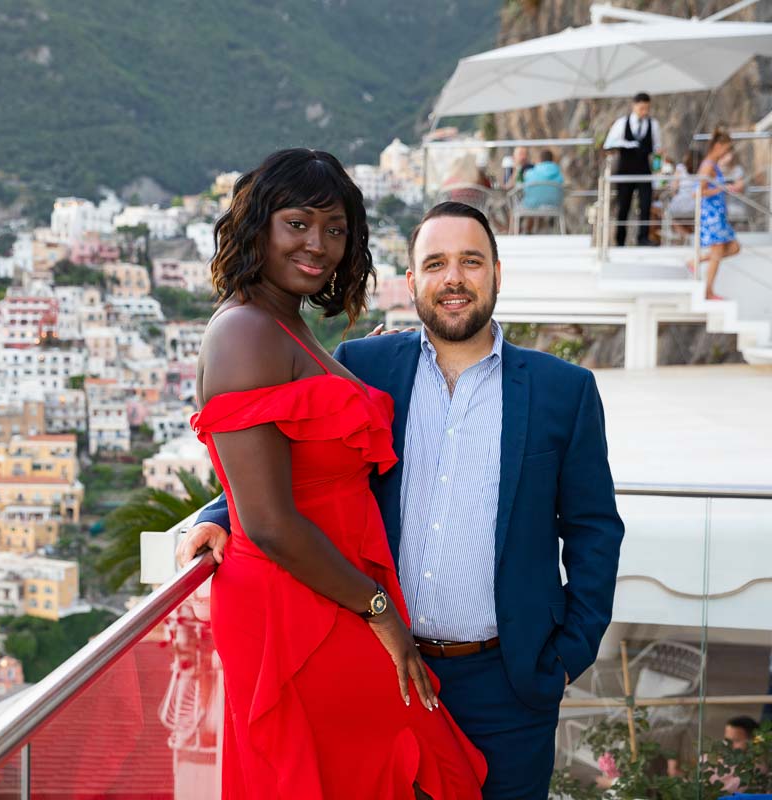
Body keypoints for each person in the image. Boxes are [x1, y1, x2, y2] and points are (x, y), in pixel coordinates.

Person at [181, 200, 625, 799]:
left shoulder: (562, 390)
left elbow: (595, 528)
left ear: (497, 273)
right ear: (413, 282)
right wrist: (218, 514)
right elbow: (303, 456)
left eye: (471, 261)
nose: (454, 278)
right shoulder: (366, 366)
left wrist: (570, 654)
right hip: (377, 665)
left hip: (510, 680)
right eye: (436, 263)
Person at [188, 150, 487, 798]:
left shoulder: (284, 323)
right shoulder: (245, 333)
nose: (318, 245)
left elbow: (284, 465)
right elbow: (266, 522)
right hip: (300, 608)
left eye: (335, 229)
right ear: (258, 225)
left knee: (378, 765)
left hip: (333, 591)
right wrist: (378, 610)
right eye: (298, 224)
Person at [604, 92, 664, 246]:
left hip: (644, 170)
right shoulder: (622, 123)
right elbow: (608, 144)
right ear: (634, 106)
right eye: (641, 108)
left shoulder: (653, 124)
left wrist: (658, 165)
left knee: (645, 205)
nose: (644, 111)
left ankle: (642, 237)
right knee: (623, 206)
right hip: (625, 170)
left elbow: (657, 148)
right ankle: (620, 239)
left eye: (647, 108)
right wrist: (624, 144)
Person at [696, 127, 741, 300]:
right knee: (718, 252)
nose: (727, 152)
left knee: (734, 248)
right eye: (726, 148)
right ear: (718, 146)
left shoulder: (713, 164)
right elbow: (698, 192)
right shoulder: (708, 165)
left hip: (718, 213)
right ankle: (708, 291)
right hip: (711, 215)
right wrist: (721, 189)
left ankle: (696, 261)